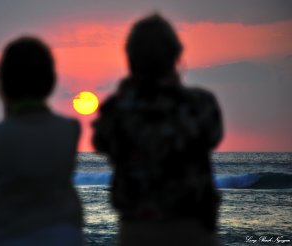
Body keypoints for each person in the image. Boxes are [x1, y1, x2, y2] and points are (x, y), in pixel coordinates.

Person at [93, 14, 223, 246]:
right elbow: (214, 136)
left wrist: (128, 90)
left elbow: (102, 143)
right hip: (193, 228)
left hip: (138, 229)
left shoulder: (117, 109)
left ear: (131, 59)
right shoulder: (200, 104)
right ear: (175, 55)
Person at [0, 37, 84, 245]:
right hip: (63, 235)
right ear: (50, 81)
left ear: (4, 84)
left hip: (9, 235)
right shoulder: (70, 129)